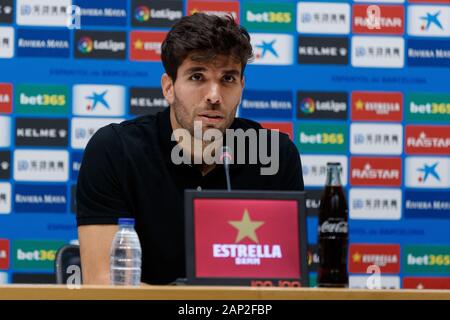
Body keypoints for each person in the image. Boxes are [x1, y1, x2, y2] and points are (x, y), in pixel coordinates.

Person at [76, 13, 304, 285]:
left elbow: (286, 285)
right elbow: (103, 283)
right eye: (197, 76)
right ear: (169, 87)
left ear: (242, 87)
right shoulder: (115, 150)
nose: (214, 96)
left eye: (228, 79)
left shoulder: (275, 155)